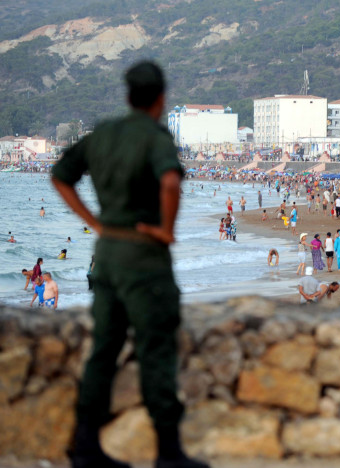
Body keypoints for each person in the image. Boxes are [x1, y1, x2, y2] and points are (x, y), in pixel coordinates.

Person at [51, 61, 208, 468]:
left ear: (127, 96)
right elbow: (170, 182)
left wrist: (95, 223)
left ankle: (85, 445)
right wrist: (167, 231)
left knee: (103, 348)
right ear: (160, 98)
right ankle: (168, 453)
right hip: (143, 256)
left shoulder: (103, 132)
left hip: (107, 255)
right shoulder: (155, 137)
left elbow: (60, 176)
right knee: (155, 348)